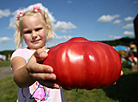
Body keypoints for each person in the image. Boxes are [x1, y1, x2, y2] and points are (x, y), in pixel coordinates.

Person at [10, 6, 64, 102]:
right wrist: (29, 72)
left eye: (38, 29)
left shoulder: (56, 53)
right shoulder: (19, 54)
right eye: (28, 31)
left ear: (47, 29)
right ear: (21, 34)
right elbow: (18, 79)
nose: (34, 35)